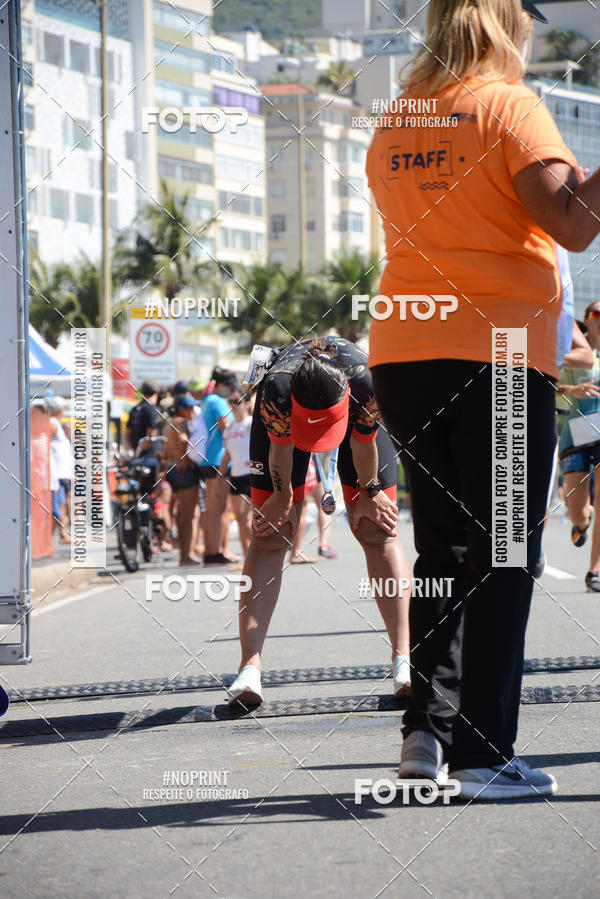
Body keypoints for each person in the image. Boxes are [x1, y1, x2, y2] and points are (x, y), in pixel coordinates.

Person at [366, 0, 600, 800]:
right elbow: (573, 225)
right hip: (497, 350)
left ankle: (425, 735)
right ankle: (484, 753)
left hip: (403, 349)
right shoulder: (509, 106)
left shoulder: (399, 117)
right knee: (502, 552)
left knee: (441, 550)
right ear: (509, 24)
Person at [226, 336, 412, 707]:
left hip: (358, 423)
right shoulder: (277, 392)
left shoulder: (367, 386)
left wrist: (371, 491)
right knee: (270, 534)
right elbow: (280, 449)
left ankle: (404, 660)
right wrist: (281, 499)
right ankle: (249, 668)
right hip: (282, 428)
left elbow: (363, 442)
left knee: (379, 529)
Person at [557, 302, 600, 591]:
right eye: (596, 314)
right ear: (586, 320)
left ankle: (594, 571)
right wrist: (574, 390)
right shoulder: (571, 352)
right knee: (577, 512)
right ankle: (583, 522)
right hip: (576, 435)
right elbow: (545, 384)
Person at [200, 367, 236, 565]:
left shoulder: (207, 400)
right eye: (229, 386)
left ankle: (211, 550)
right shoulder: (218, 402)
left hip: (206, 459)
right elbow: (228, 428)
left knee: (211, 508)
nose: (231, 391)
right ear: (221, 384)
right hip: (218, 460)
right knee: (220, 509)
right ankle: (215, 552)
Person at [162, 396, 201, 565]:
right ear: (180, 409)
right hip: (183, 469)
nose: (192, 411)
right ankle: (187, 555)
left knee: (182, 514)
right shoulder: (181, 423)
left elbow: (164, 449)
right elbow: (183, 439)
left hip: (171, 467)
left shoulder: (167, 424)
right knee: (189, 515)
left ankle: (184, 555)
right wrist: (185, 458)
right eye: (188, 408)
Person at [218, 387, 252, 555]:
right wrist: (219, 478)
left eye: (237, 401)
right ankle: (248, 558)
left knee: (246, 518)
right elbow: (227, 455)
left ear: (247, 403)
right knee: (239, 518)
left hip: (251, 475)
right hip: (236, 475)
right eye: (230, 401)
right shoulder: (230, 428)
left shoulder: (251, 424)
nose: (233, 405)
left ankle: (259, 555)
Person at [288, 456, 337, 563]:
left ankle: (323, 544)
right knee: (301, 506)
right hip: (304, 456)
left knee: (324, 502)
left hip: (310, 457)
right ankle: (295, 551)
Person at [48, 396, 72, 544]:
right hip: (57, 473)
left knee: (60, 506)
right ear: (59, 410)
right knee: (57, 508)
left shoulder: (56, 424)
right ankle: (51, 539)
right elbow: (46, 445)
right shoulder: (53, 424)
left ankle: (60, 535)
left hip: (61, 473)